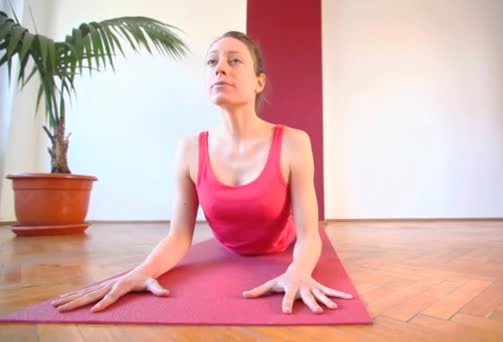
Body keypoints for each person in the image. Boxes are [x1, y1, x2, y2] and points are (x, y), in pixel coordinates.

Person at [51, 31, 352, 315]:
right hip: (228, 250)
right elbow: (179, 236)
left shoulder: (293, 141)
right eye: (212, 61)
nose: (220, 68)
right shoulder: (190, 148)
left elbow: (310, 234)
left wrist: (298, 272)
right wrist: (141, 271)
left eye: (234, 60)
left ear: (259, 81)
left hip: (282, 243)